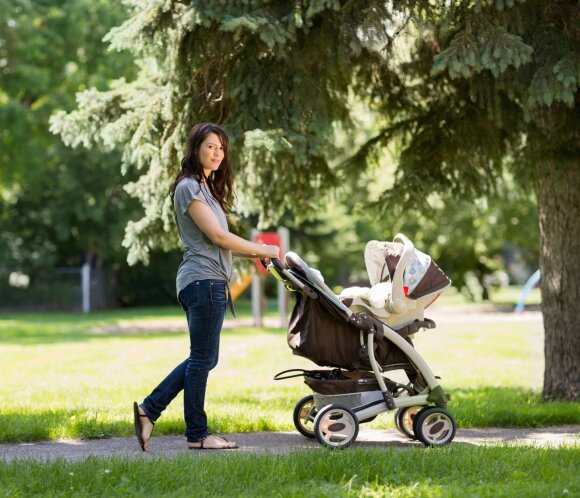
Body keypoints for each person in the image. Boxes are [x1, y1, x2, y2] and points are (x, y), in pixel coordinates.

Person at [133, 123, 280, 451]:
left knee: (202, 357)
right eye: (210, 146)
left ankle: (149, 411)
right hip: (202, 280)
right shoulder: (189, 187)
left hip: (207, 281)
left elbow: (224, 245)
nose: (216, 153)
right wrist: (265, 248)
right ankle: (196, 434)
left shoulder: (206, 189)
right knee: (202, 358)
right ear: (196, 147)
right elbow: (218, 237)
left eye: (221, 148)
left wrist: (261, 256)